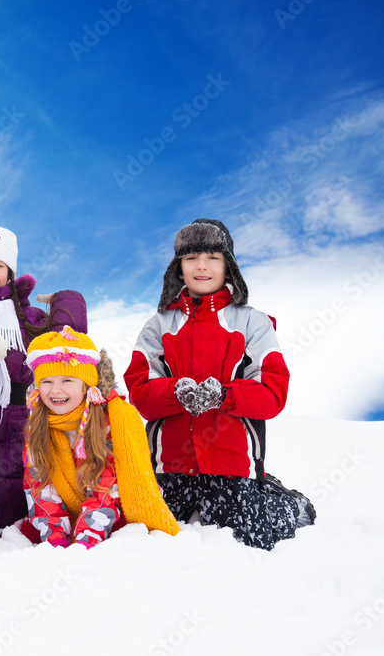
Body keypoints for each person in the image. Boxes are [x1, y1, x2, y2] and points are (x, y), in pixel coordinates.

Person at [124, 218, 315, 550]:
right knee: (148, 537)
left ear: (229, 267)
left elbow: (272, 394)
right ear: (178, 270)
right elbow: (140, 391)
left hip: (233, 462)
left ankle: (286, 502)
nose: (202, 266)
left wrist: (224, 395)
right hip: (170, 465)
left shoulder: (252, 322)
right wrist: (174, 393)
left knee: (250, 541)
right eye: (191, 258)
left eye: (213, 256)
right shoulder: (158, 326)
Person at [0, 224, 88, 531]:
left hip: (18, 422)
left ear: (9, 270)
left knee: (13, 504)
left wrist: (68, 305)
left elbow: (65, 349)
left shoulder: (30, 317)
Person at [23, 330, 179, 548]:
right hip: (70, 518)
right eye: (47, 381)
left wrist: (86, 540)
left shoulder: (110, 421)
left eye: (67, 380)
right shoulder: (39, 424)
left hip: (114, 518)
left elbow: (107, 488)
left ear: (87, 384)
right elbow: (40, 487)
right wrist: (55, 540)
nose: (55, 390)